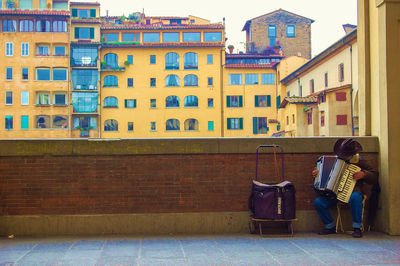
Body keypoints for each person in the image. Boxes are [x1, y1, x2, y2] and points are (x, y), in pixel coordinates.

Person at [313, 138, 379, 238]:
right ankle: (330, 226)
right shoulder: (333, 161)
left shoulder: (360, 161)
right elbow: (321, 174)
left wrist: (364, 174)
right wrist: (317, 174)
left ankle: (357, 228)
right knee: (319, 202)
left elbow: (374, 175)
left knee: (356, 197)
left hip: (352, 192)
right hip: (334, 194)